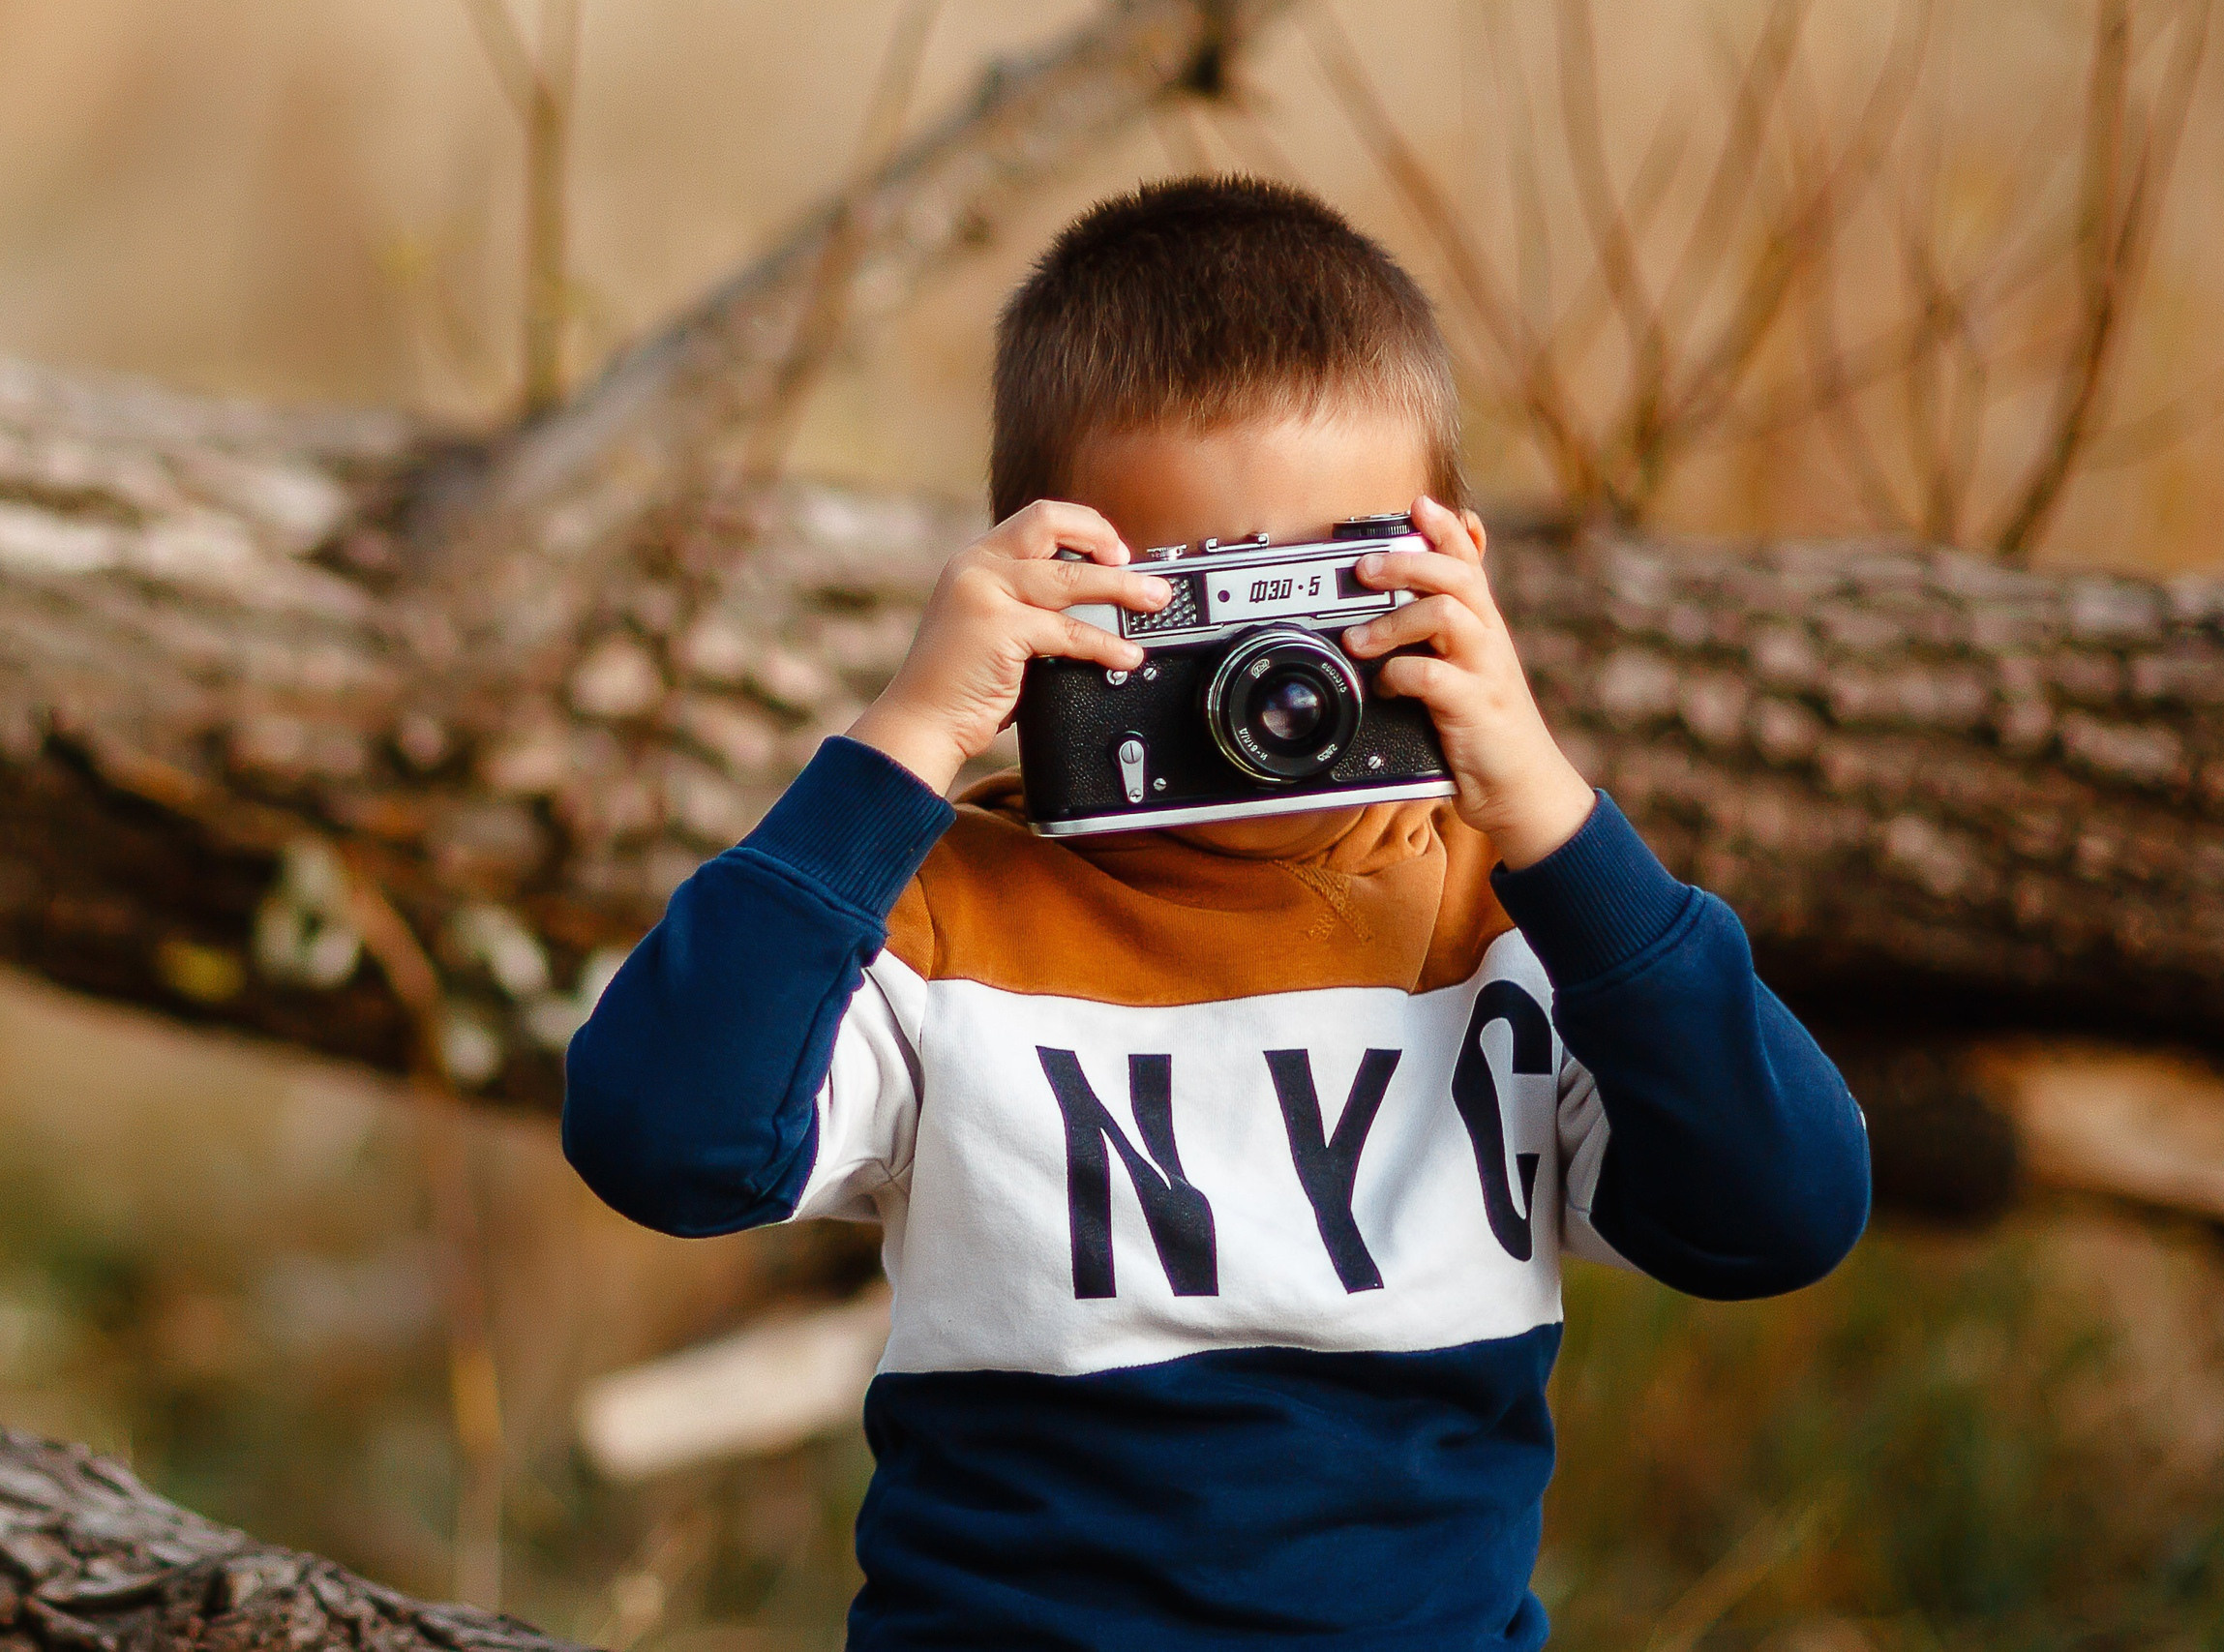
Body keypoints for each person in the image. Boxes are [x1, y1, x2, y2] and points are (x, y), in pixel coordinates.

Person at [562, 176, 1869, 1650]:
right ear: (1049, 594)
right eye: (1200, 604)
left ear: (1456, 573)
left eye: (1320, 590)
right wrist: (906, 743)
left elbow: (1782, 1215)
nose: (1278, 673)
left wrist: (1558, 822)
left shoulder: (1510, 923)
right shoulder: (947, 926)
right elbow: (660, 1142)